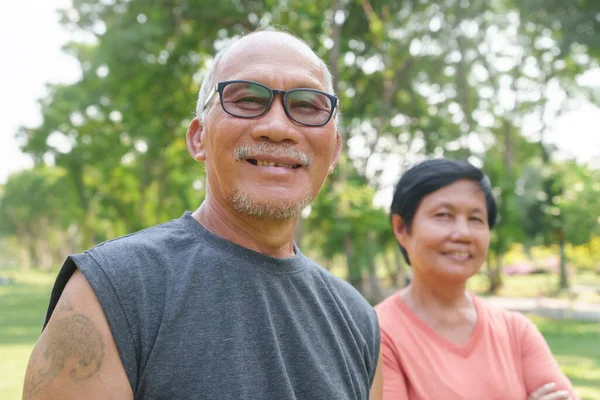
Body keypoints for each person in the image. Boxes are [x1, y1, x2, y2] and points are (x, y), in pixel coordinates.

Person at [23, 29, 383, 400]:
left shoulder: (357, 319)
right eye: (246, 99)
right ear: (198, 138)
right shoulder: (113, 291)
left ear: (335, 150)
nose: (278, 127)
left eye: (308, 105)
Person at [375, 158, 576, 400]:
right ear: (401, 228)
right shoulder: (376, 334)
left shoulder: (516, 332)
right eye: (443, 215)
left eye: (476, 219)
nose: (463, 233)